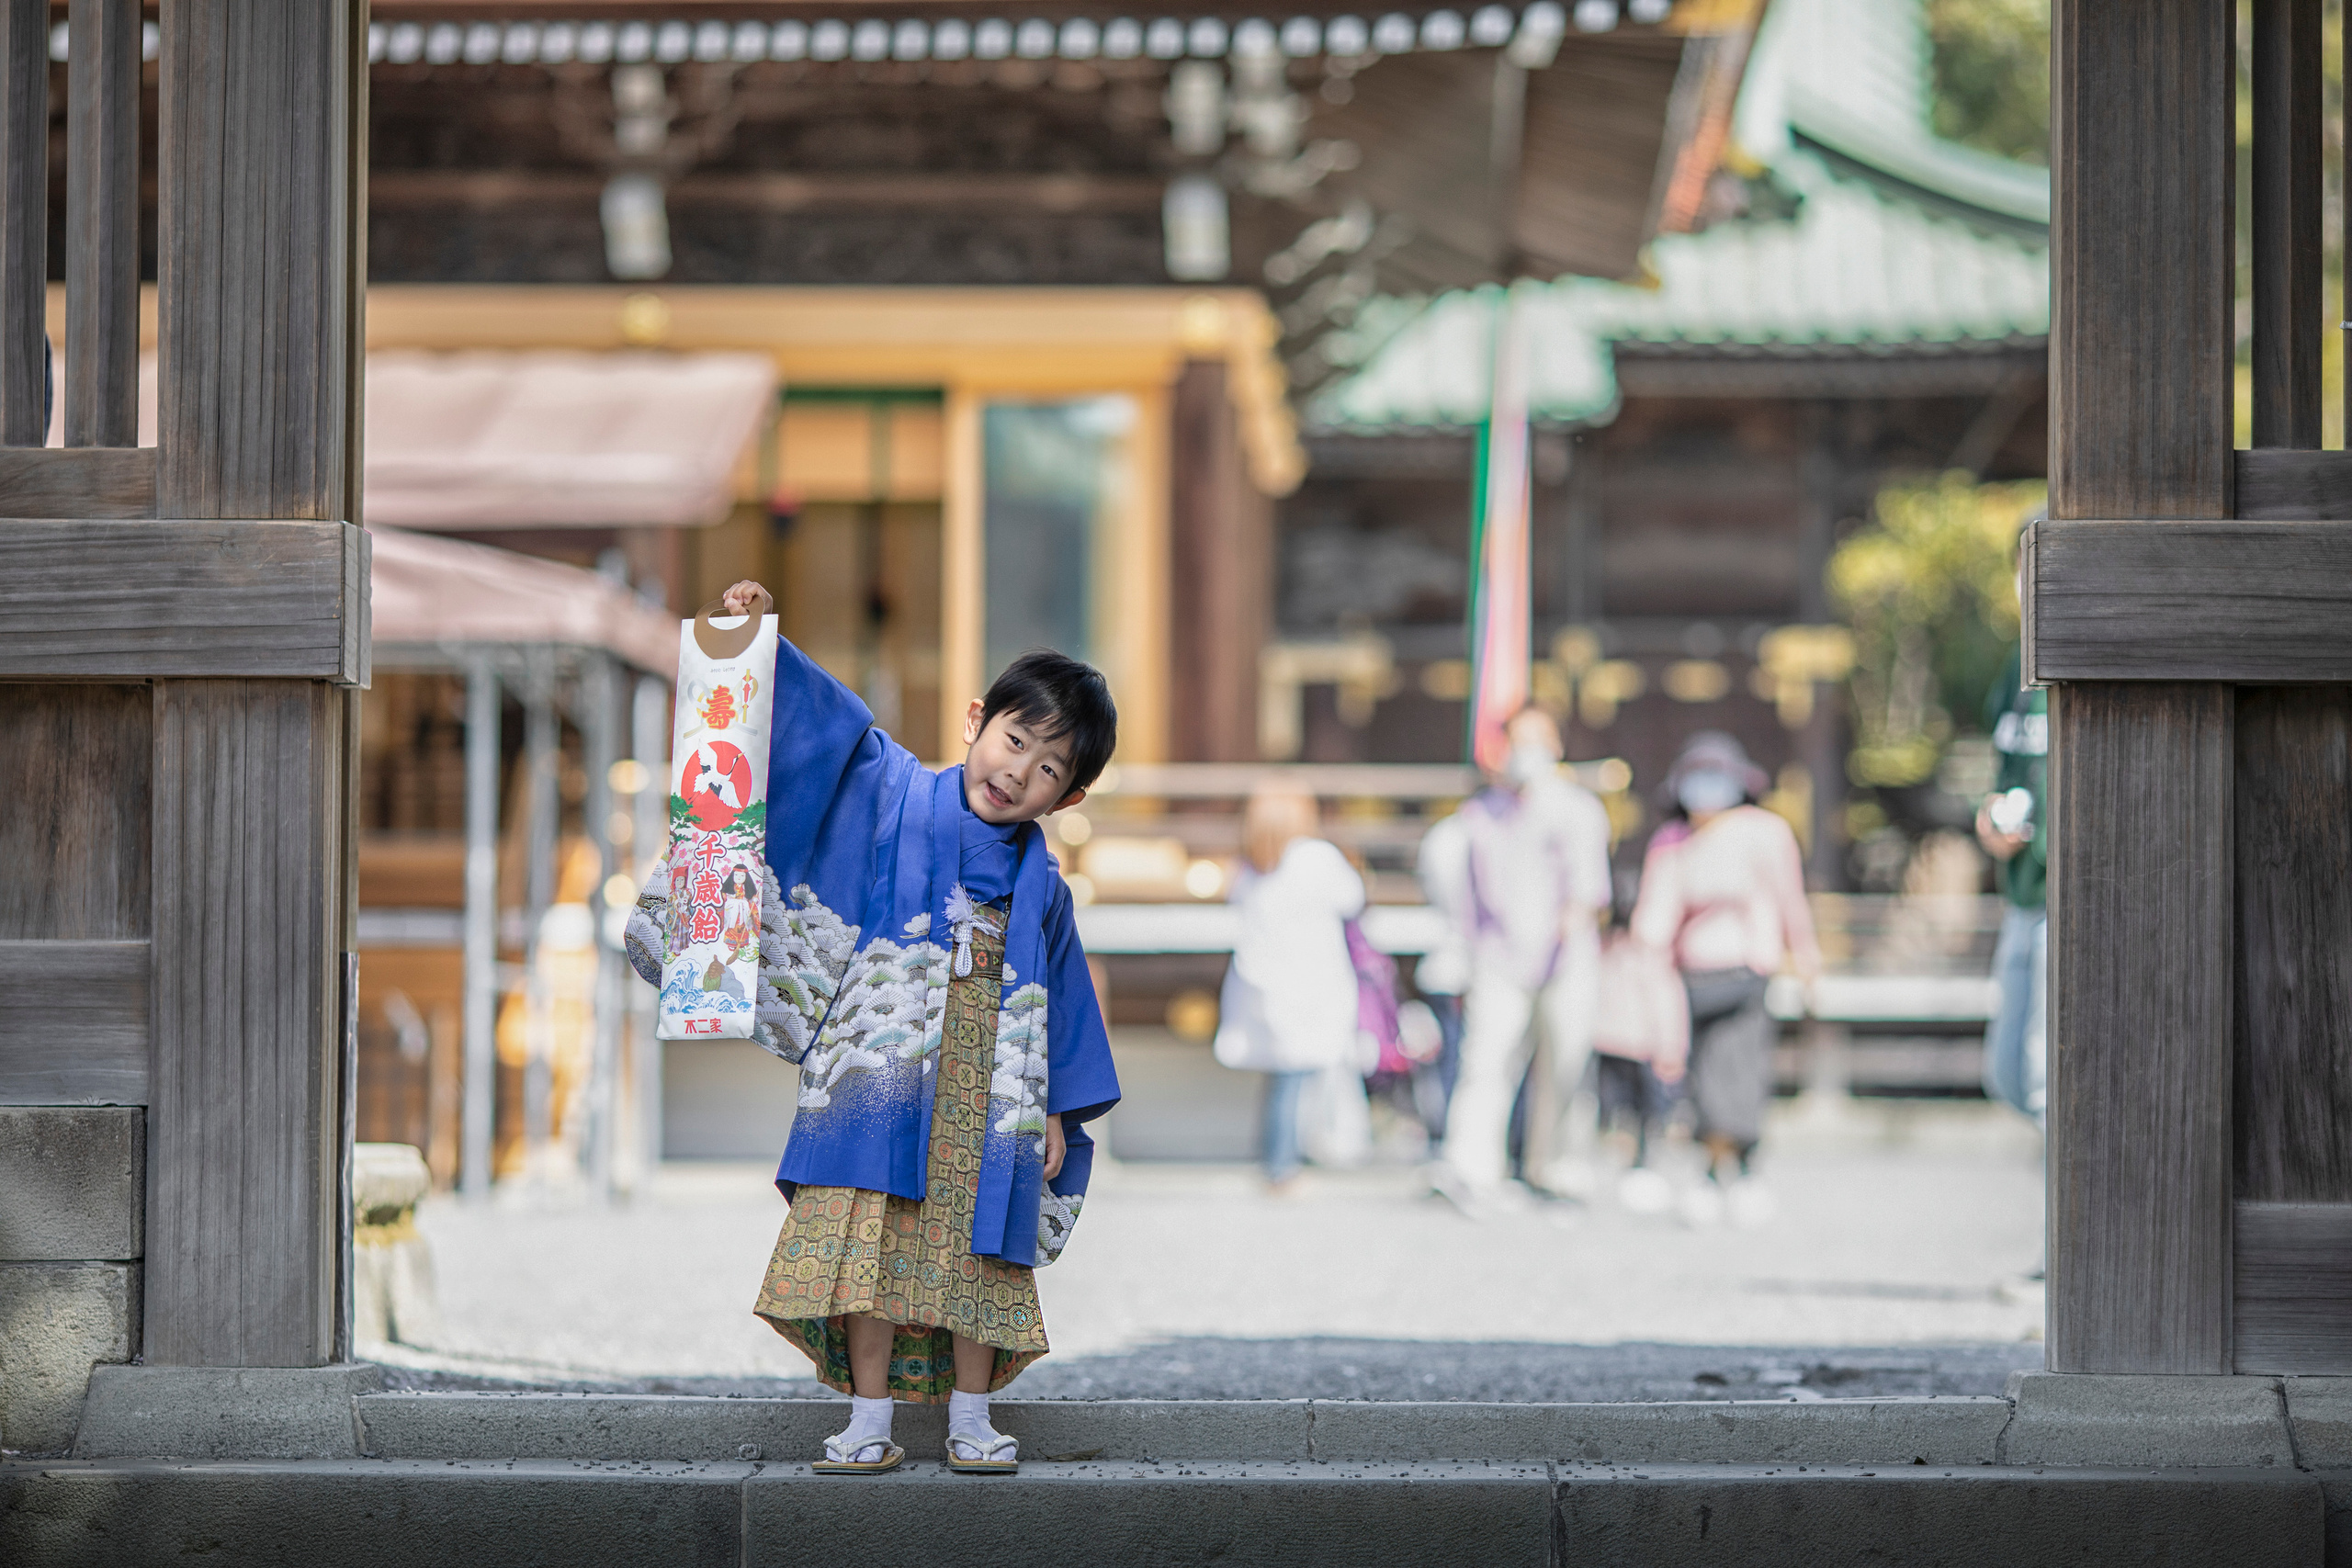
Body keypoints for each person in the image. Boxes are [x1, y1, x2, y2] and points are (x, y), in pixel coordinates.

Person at [626, 580, 1120, 1477]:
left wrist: (1055, 1107)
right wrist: (758, 645)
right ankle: (867, 1418)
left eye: (1049, 768)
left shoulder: (1045, 886)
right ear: (974, 721)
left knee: (979, 1247)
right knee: (867, 1235)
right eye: (1015, 740)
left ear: (1069, 796)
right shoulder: (895, 793)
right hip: (882, 1065)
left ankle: (972, 1418)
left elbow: (1065, 1000)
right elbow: (827, 737)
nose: (1019, 772)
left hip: (992, 1083)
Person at [1631, 731, 1818, 1228]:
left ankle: (1743, 1167)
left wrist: (1805, 956)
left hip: (1747, 971)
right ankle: (1713, 1169)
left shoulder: (1765, 832)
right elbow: (1656, 916)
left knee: (1741, 1072)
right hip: (1690, 980)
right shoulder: (1672, 842)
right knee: (1700, 1078)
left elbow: (1789, 900)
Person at [1435, 705, 1613, 1211]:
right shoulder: (1481, 814)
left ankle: (1559, 1167)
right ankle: (1471, 1167)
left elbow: (1589, 890)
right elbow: (1464, 891)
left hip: (1566, 958)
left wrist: (1565, 932)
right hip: (1498, 957)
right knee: (1485, 1061)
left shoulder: (1580, 809)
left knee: (1567, 1065)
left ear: (1556, 745)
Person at [1213, 784, 1369, 1190]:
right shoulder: (1318, 857)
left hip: (1266, 985)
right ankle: (1283, 1166)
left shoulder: (1252, 865)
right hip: (1313, 984)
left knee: (1282, 1079)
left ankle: (1276, 1158)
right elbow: (1352, 898)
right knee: (1301, 1078)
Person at [1976, 648, 2046, 1134]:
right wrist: (1989, 816)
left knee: (2045, 1078)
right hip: (2021, 896)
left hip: (2069, 896)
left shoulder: (2086, 647)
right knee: (2006, 1076)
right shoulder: (2016, 668)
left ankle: (2057, 1177)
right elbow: (2002, 771)